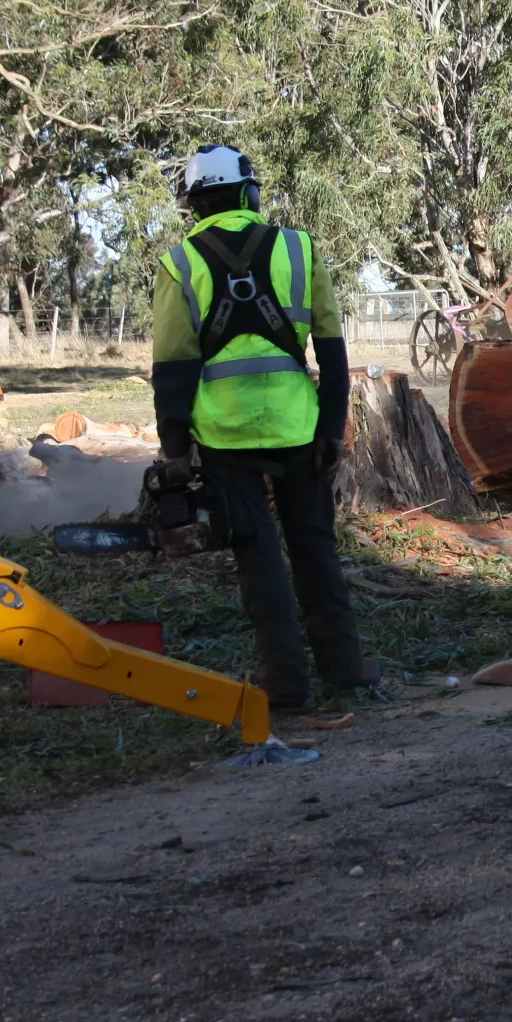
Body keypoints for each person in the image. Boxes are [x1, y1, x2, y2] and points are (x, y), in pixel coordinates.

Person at [150, 145, 370, 716]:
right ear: (249, 192)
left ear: (195, 204)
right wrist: (331, 427)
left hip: (224, 438)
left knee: (258, 558)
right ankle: (347, 674)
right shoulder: (298, 249)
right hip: (299, 428)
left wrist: (176, 450)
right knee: (316, 548)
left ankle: (285, 688)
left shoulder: (180, 263)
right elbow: (333, 350)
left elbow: (173, 366)